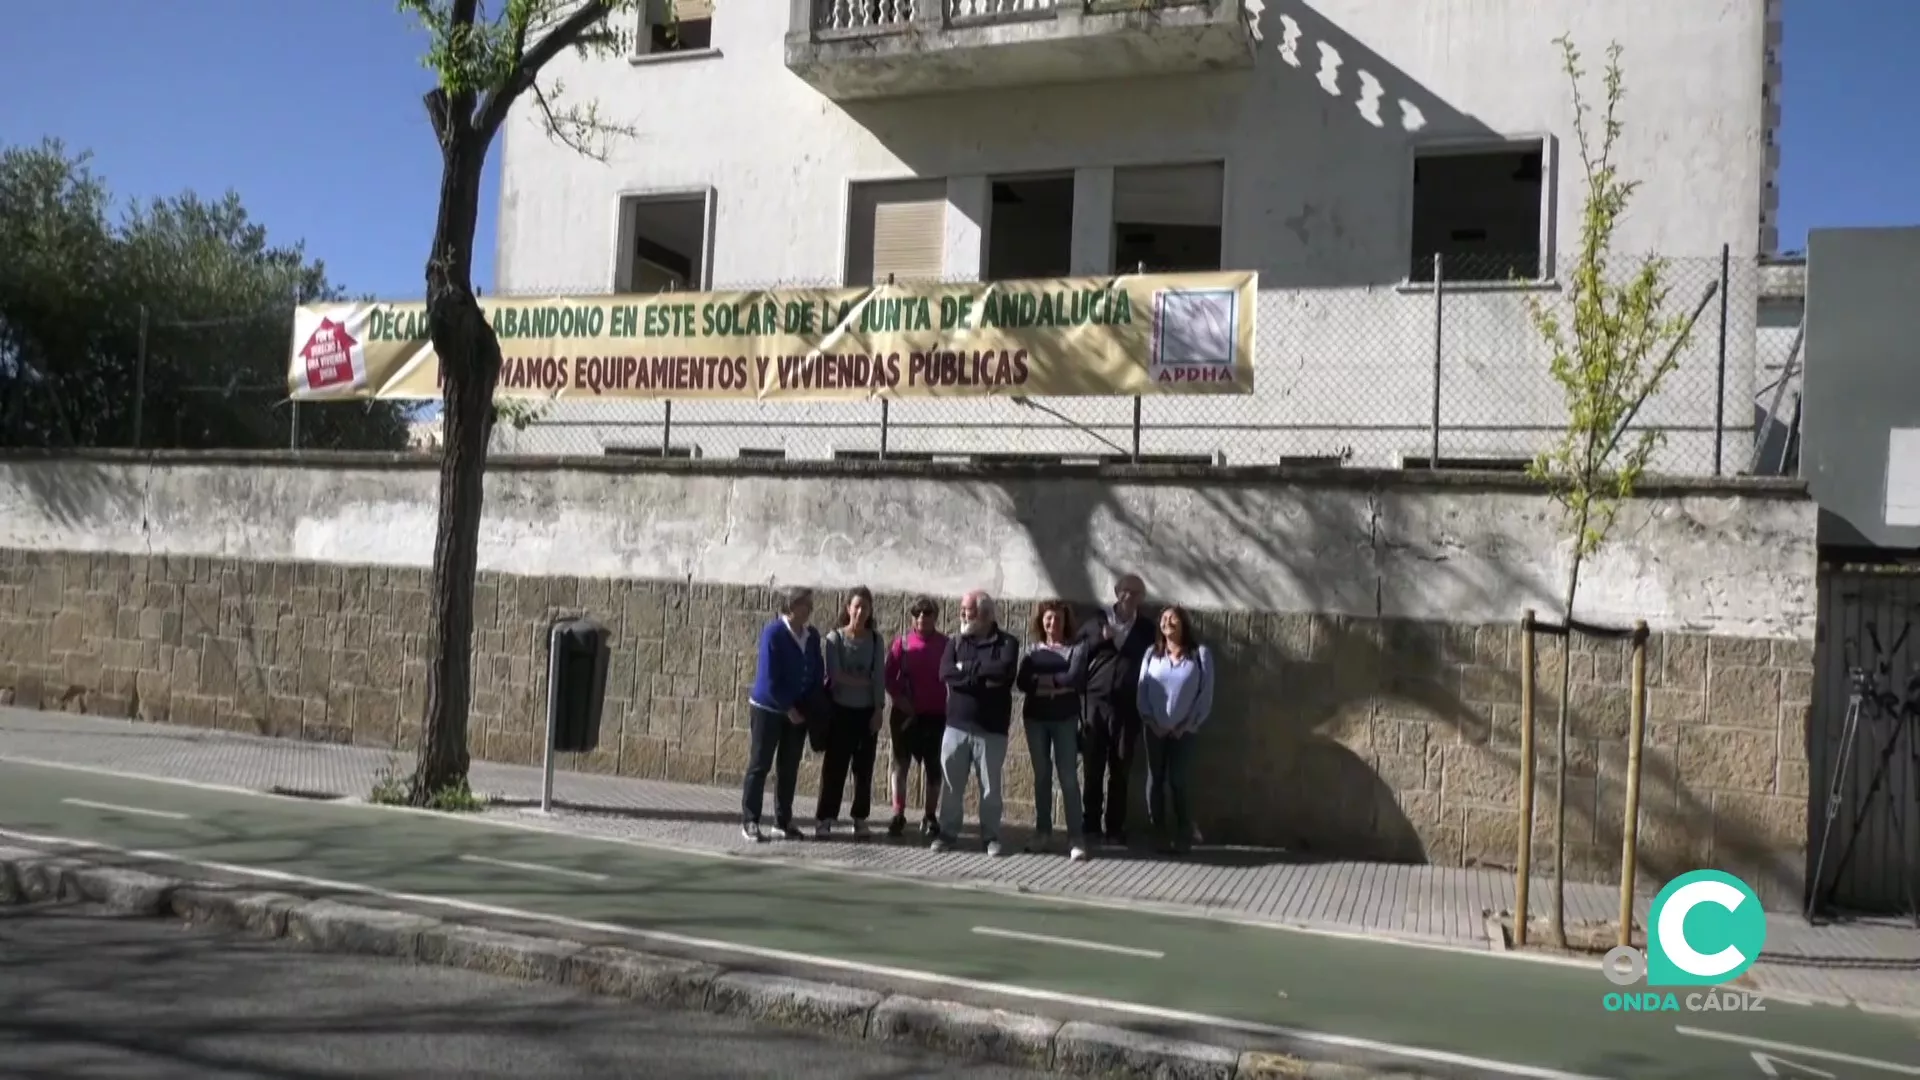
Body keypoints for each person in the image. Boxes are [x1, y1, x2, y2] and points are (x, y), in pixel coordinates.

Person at [933, 590, 1019, 856]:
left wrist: (965, 670)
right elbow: (945, 672)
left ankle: (991, 836)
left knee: (990, 788)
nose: (962, 614)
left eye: (967, 610)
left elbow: (1002, 673)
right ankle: (947, 833)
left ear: (984, 614)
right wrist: (978, 674)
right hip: (956, 726)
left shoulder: (1007, 643)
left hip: (991, 729)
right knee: (951, 785)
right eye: (962, 608)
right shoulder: (955, 641)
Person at [1078, 573, 1156, 847]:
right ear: (1116, 592)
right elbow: (1078, 653)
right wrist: (1100, 638)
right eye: (1125, 591)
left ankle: (1114, 828)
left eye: (1136, 593)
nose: (1130, 597)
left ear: (1142, 598)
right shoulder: (1096, 621)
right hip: (1095, 705)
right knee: (1093, 767)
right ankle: (1090, 826)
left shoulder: (1147, 629)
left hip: (1127, 707)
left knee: (1121, 768)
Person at [741, 586, 824, 843]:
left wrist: (807, 706)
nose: (809, 608)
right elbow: (769, 678)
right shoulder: (773, 633)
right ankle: (750, 820)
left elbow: (816, 670)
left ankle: (783, 820)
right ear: (790, 606)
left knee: (789, 768)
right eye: (804, 603)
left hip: (797, 712)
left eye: (810, 604)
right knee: (760, 764)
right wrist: (787, 708)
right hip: (769, 708)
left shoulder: (811, 636)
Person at [1136, 604, 1215, 856]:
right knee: (1155, 780)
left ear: (1183, 624)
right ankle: (1158, 832)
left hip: (1185, 732)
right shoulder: (1152, 653)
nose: (1167, 622)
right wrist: (1151, 721)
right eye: (1164, 618)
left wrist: (1187, 724)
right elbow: (1142, 689)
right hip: (1155, 730)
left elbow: (1205, 694)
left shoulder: (1199, 655)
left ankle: (1184, 833)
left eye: (1173, 618)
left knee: (1179, 781)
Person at [1015, 598, 1090, 862]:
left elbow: (1075, 678)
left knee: (1068, 777)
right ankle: (1043, 832)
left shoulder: (1077, 648)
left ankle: (1075, 836)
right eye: (1048, 617)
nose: (1053, 622)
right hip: (1035, 719)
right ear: (1041, 621)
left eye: (1058, 618)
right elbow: (1023, 681)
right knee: (1042, 776)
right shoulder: (1032, 649)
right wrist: (1057, 685)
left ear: (1066, 621)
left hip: (1065, 719)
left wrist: (1044, 683)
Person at [815, 586, 886, 838]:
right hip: (840, 712)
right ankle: (825, 818)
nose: (860, 611)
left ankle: (859, 817)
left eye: (865, 607)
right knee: (834, 767)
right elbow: (835, 676)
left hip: (866, 713)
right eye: (856, 606)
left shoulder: (876, 640)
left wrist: (878, 708)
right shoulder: (835, 639)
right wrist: (863, 680)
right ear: (848, 608)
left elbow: (879, 678)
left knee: (864, 768)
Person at [883, 595, 948, 839]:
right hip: (905, 717)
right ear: (912, 617)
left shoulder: (946, 644)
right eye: (917, 613)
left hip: (936, 717)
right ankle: (898, 814)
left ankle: (930, 817)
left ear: (935, 617)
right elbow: (888, 677)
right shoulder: (902, 644)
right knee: (900, 766)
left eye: (927, 613)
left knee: (934, 769)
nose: (922, 617)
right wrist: (901, 700)